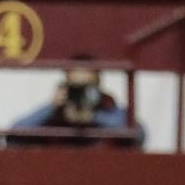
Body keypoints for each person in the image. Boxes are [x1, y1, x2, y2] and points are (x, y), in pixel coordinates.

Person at [9, 57, 143, 146]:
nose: (80, 93)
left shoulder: (108, 107)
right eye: (75, 87)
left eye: (86, 87)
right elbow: (14, 133)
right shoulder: (55, 112)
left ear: (98, 86)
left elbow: (139, 134)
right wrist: (51, 107)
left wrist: (95, 117)